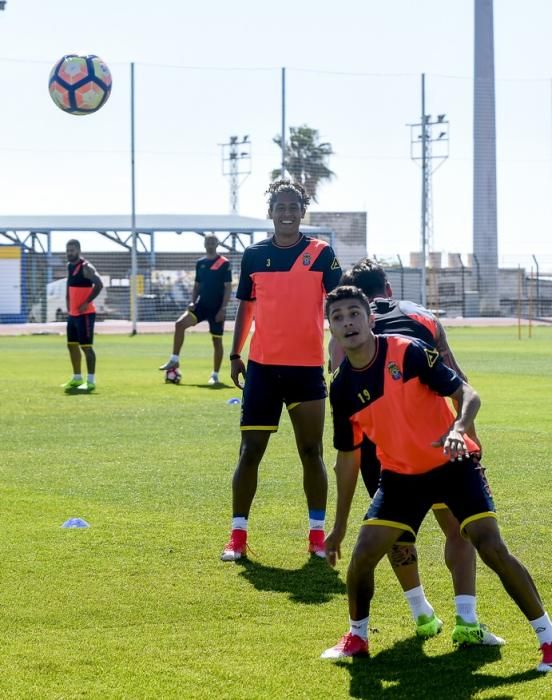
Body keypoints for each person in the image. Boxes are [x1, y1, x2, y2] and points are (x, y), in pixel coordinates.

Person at [320, 285, 552, 673]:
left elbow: (467, 392)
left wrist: (460, 427)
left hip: (452, 464)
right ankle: (357, 636)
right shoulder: (342, 387)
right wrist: (339, 527)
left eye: (354, 313)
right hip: (400, 478)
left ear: (369, 318)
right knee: (362, 557)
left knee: (490, 545)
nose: (347, 322)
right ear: (330, 328)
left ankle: (547, 638)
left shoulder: (406, 352)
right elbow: (347, 459)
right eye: (338, 316)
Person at [328, 258, 501, 645]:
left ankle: (422, 614)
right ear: (387, 288)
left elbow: (341, 386)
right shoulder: (422, 317)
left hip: (383, 450)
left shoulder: (341, 330)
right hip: (439, 440)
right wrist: (473, 445)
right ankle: (467, 619)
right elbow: (459, 381)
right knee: (457, 528)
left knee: (396, 533)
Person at [220, 180, 342, 561]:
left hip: (306, 370)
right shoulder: (253, 255)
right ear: (270, 211)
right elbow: (246, 307)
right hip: (262, 370)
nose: (286, 212)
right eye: (279, 206)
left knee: (311, 451)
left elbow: (340, 305)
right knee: (249, 451)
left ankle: (317, 536)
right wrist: (235, 354)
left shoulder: (322, 254)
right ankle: (237, 538)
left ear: (302, 211)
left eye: (293, 206)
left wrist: (338, 348)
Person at [159, 233, 232, 385]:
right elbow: (197, 286)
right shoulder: (200, 263)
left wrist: (223, 309)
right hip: (201, 306)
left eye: (213, 241)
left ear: (217, 244)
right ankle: (174, 360)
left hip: (217, 309)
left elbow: (228, 288)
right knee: (179, 324)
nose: (210, 244)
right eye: (208, 242)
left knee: (216, 342)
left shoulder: (224, 263)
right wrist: (192, 302)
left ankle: (215, 375)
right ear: (204, 244)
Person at [61, 239, 103, 393]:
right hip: (73, 314)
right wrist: (67, 303)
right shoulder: (69, 266)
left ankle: (90, 381)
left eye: (71, 250)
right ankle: (77, 377)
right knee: (71, 345)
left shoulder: (86, 267)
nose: (69, 253)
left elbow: (99, 285)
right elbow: (69, 285)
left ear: (78, 250)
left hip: (85, 314)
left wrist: (87, 302)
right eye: (67, 250)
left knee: (86, 347)